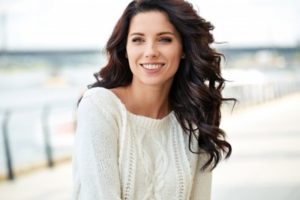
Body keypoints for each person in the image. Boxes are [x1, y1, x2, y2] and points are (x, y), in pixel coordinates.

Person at [73, 0, 234, 199]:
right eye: (138, 40)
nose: (150, 51)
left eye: (164, 39)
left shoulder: (194, 116)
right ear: (125, 48)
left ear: (184, 48)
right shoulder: (100, 107)